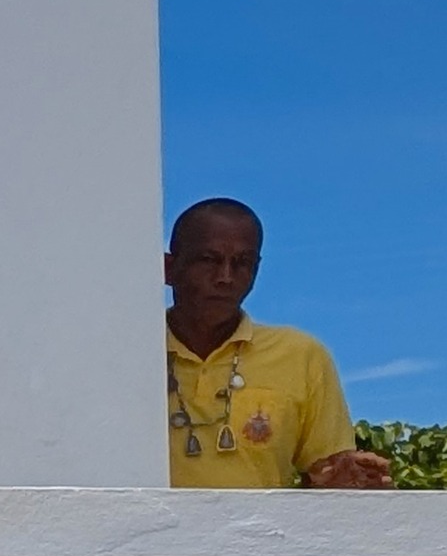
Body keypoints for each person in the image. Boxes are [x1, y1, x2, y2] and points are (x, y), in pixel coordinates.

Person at [165, 198, 391, 489]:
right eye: (209, 260)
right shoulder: (130, 355)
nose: (225, 277)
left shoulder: (301, 355)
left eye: (243, 263)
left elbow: (329, 480)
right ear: (169, 268)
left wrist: (353, 481)